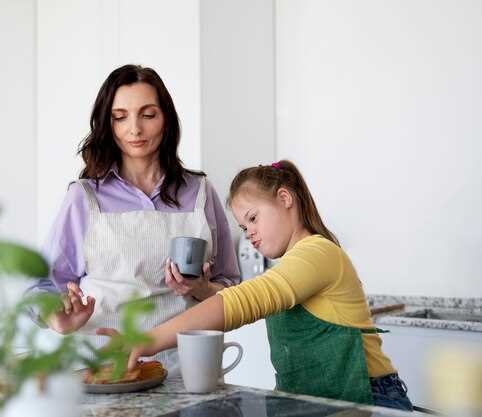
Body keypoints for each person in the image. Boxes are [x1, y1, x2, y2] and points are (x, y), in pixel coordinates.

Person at [123, 160, 414, 411]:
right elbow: (242, 295)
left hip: (368, 398)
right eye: (243, 227)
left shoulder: (318, 253)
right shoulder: (295, 262)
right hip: (321, 402)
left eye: (253, 218)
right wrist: (201, 289)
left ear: (285, 198)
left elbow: (248, 300)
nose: (249, 233)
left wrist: (146, 341)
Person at [28, 64, 240, 374]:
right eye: (120, 117)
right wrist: (56, 317)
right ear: (107, 124)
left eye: (148, 115)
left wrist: (201, 289)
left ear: (166, 119)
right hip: (104, 366)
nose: (135, 129)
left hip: (187, 368)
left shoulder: (200, 193)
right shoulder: (84, 196)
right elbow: (40, 285)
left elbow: (233, 292)